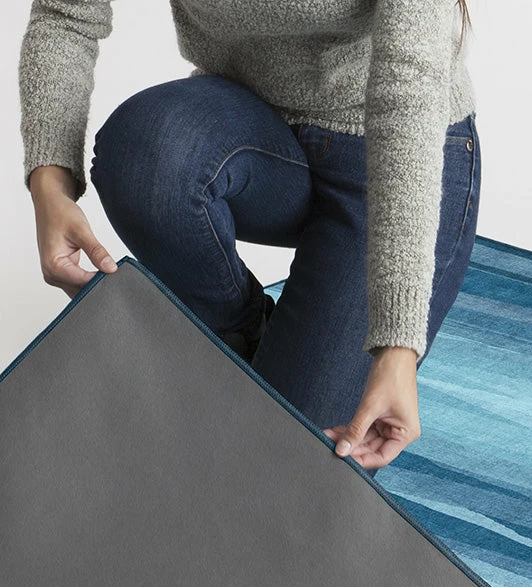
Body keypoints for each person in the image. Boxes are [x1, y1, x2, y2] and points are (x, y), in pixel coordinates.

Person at [18, 0, 481, 477]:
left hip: (398, 153)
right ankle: (244, 334)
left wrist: (397, 343)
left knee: (284, 472)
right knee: (146, 153)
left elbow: (409, 84)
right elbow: (66, 15)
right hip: (253, 131)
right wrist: (49, 187)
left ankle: (282, 363)